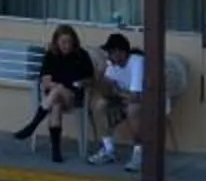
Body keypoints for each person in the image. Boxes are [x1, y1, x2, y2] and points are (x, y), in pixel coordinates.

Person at [8, 25, 94, 163]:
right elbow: (45, 80)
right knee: (56, 105)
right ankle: (56, 151)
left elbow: (90, 78)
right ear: (56, 42)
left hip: (73, 96)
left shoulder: (81, 55)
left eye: (69, 42)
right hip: (55, 96)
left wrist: (80, 83)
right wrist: (55, 86)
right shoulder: (51, 55)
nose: (66, 45)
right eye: (63, 42)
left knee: (58, 91)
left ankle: (32, 126)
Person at [88, 31, 148, 169]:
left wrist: (118, 92)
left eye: (111, 53)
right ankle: (108, 149)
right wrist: (101, 78)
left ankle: (140, 152)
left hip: (147, 100)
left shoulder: (136, 62)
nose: (109, 57)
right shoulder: (112, 66)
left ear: (121, 52)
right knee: (99, 104)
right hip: (125, 100)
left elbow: (135, 96)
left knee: (132, 109)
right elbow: (106, 90)